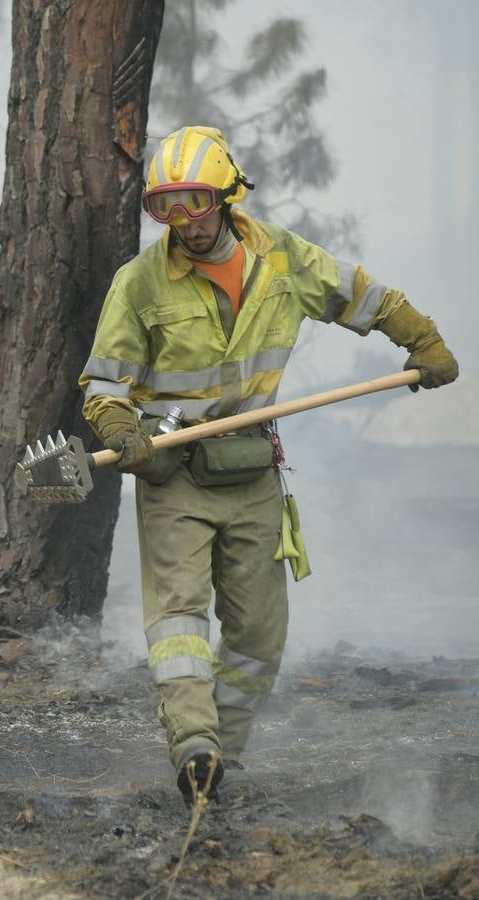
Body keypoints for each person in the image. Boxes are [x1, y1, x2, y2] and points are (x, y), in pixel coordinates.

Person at [79, 126, 458, 806]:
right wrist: (118, 428)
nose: (184, 220)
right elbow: (104, 385)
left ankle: (223, 753)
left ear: (226, 194)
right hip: (173, 476)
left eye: (195, 199)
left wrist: (422, 341)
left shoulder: (281, 260)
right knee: (179, 621)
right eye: (166, 206)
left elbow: (361, 296)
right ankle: (193, 744)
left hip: (252, 473)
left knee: (258, 633)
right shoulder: (138, 284)